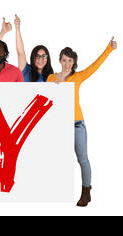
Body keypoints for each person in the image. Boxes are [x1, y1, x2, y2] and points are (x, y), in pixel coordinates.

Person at [47, 37, 117, 207]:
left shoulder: (77, 77)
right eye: (64, 60)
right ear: (59, 60)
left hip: (76, 124)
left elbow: (95, 66)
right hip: (58, 125)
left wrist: (109, 48)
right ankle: (55, 191)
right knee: (56, 159)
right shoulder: (50, 78)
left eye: (70, 60)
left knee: (82, 159)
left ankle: (86, 191)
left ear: (74, 62)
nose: (67, 63)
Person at [14, 15, 53, 82]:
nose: (40, 59)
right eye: (37, 56)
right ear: (33, 58)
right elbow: (20, 53)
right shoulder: (26, 70)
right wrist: (17, 29)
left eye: (44, 56)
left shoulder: (50, 77)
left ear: (47, 58)